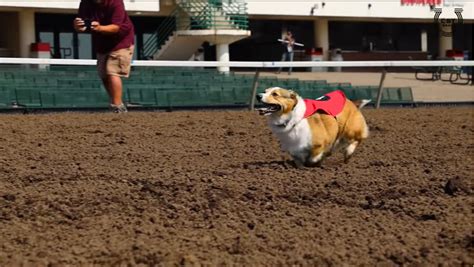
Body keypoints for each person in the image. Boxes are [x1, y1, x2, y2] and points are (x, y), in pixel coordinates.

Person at [73, 0, 135, 113]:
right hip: (101, 44)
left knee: (112, 71)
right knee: (104, 74)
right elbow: (82, 24)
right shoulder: (85, 3)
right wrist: (78, 26)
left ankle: (116, 106)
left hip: (121, 42)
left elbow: (116, 27)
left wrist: (99, 28)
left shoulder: (116, 2)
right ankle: (117, 104)